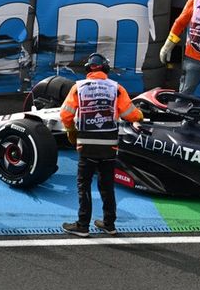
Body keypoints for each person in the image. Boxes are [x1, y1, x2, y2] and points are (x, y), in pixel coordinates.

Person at [60, 53, 143, 237]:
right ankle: (109, 224)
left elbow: (65, 115)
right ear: (105, 69)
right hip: (109, 146)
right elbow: (130, 114)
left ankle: (82, 225)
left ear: (88, 69)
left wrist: (70, 131)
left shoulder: (78, 88)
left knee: (84, 185)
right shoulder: (116, 88)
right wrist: (140, 116)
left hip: (87, 145)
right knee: (107, 186)